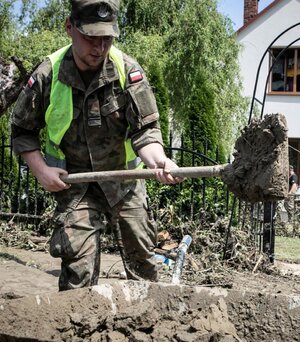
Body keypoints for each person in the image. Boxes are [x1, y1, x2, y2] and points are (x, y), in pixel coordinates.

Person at [11, 0, 183, 290]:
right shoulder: (47, 75)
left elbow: (145, 130)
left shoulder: (127, 70)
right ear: (70, 27)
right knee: (77, 268)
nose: (100, 47)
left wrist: (158, 161)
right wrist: (41, 171)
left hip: (124, 180)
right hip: (74, 185)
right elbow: (22, 131)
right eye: (91, 38)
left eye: (107, 38)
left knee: (143, 259)